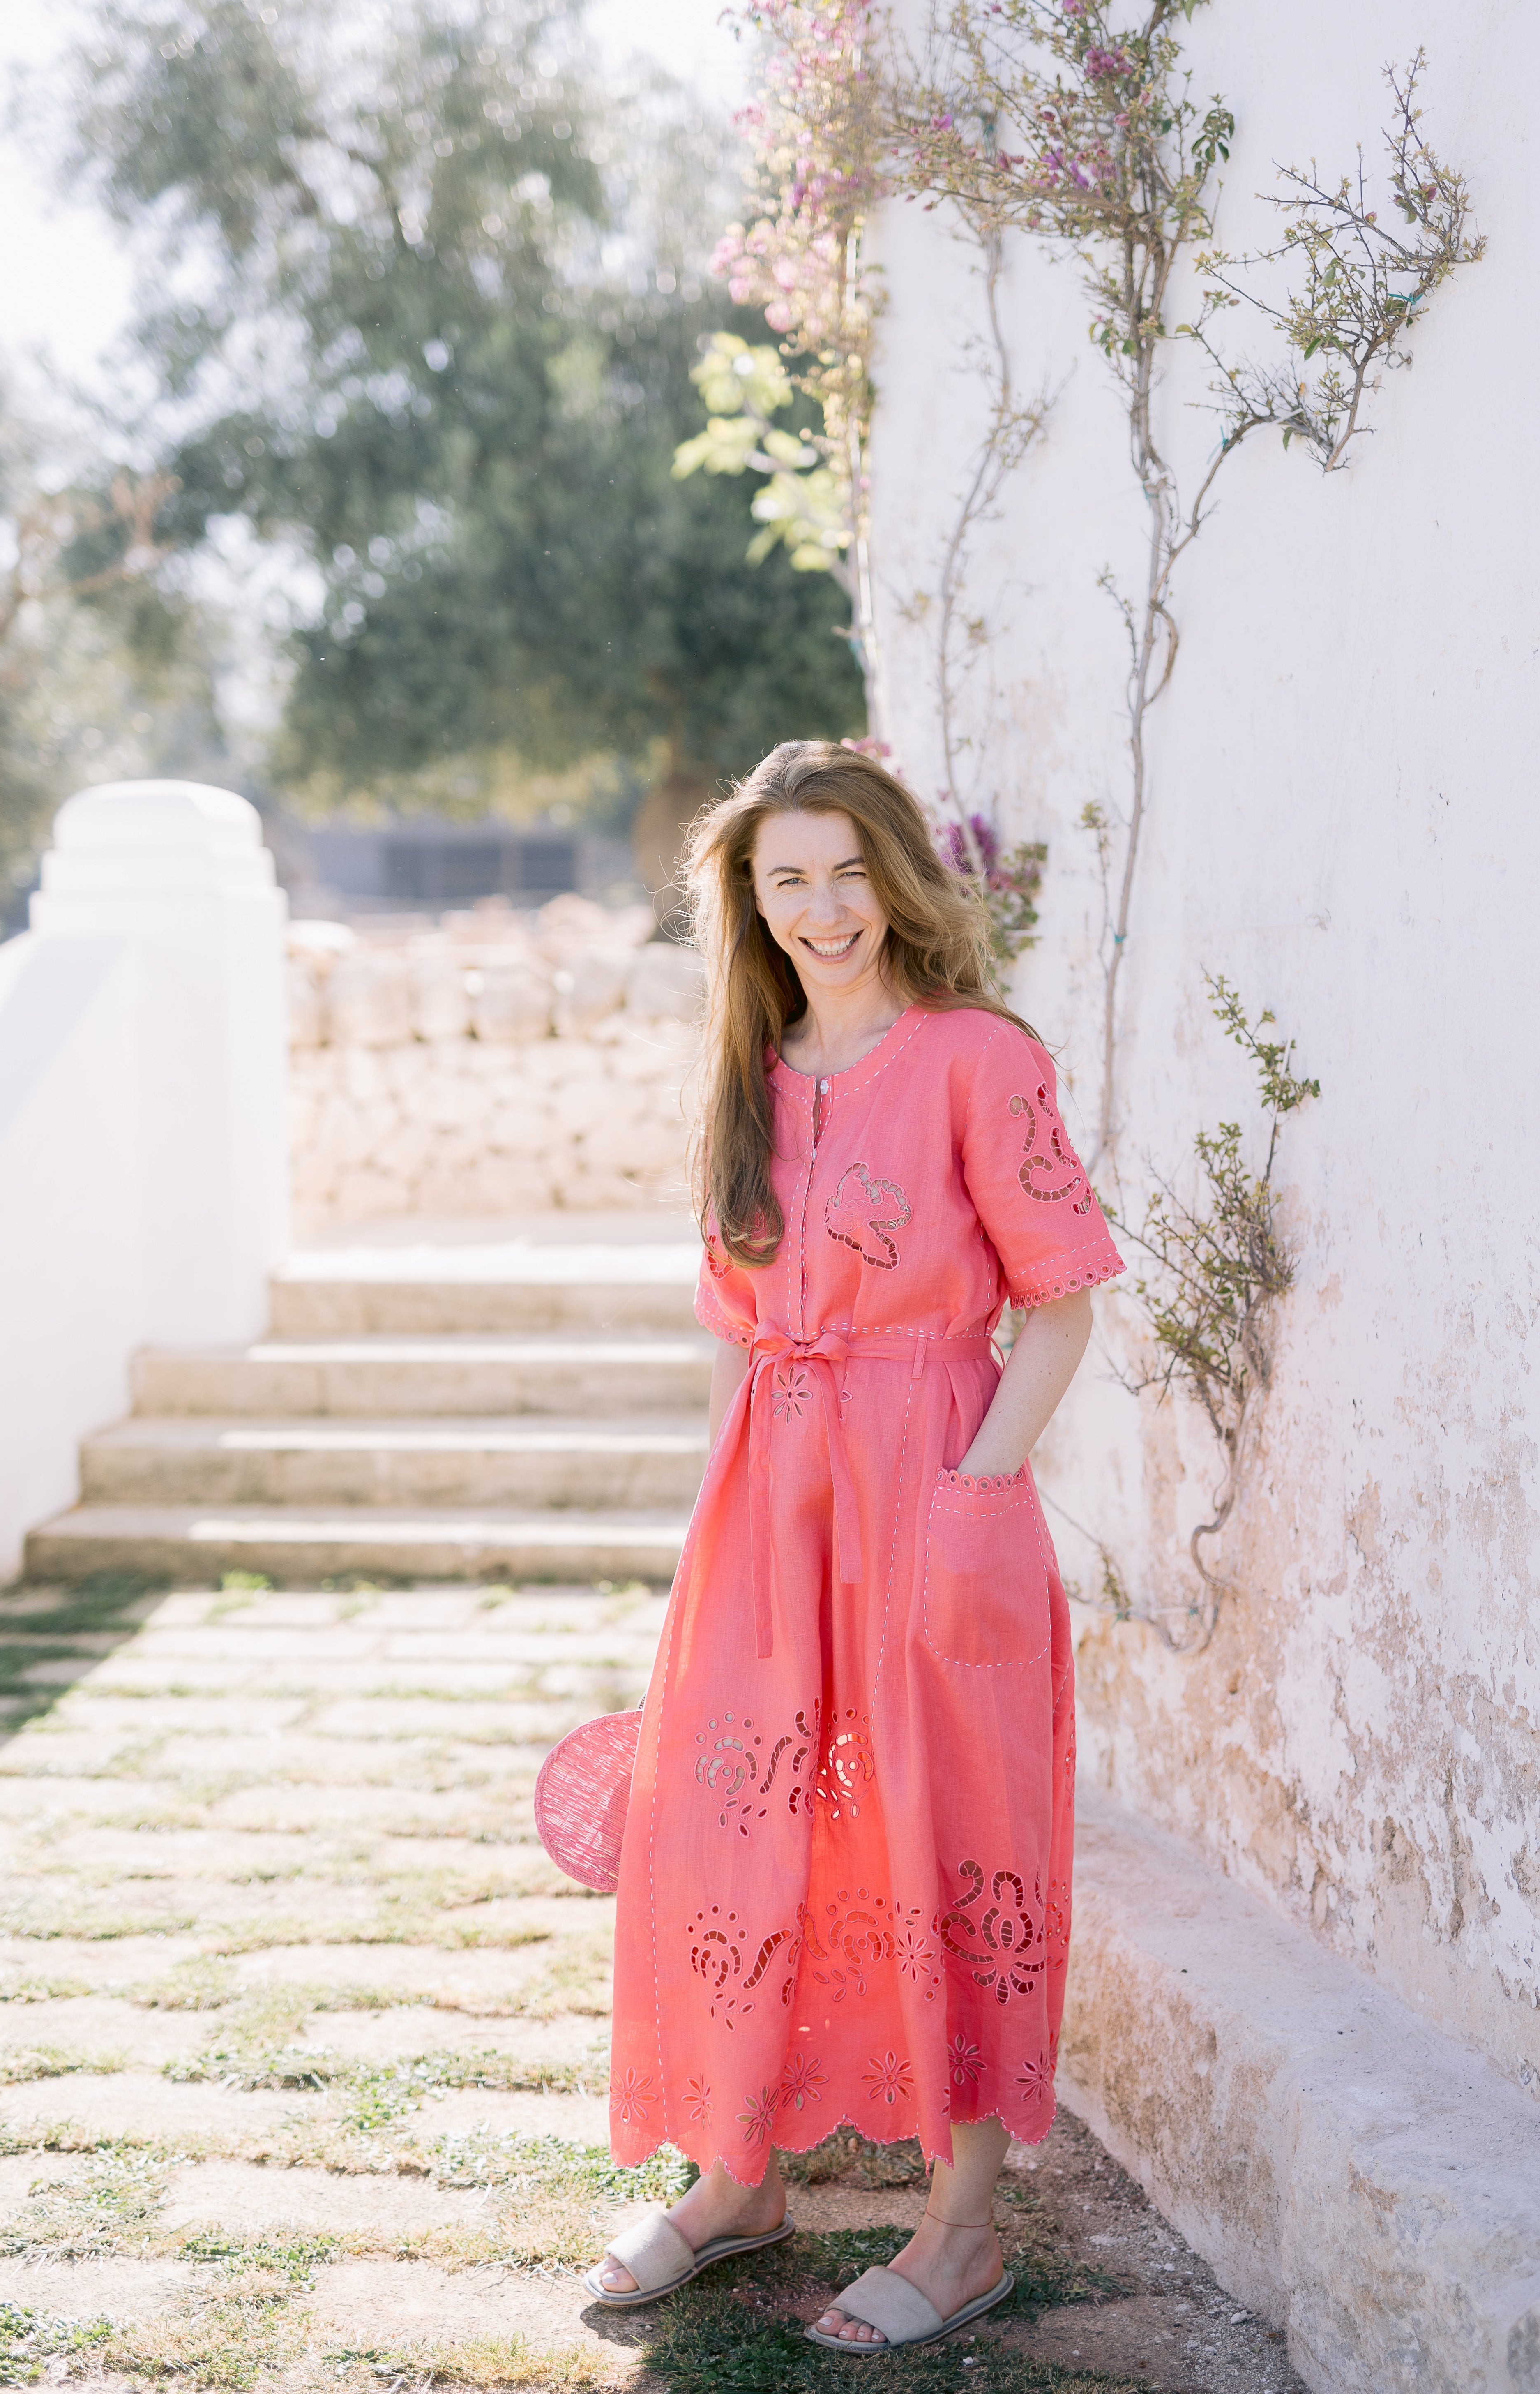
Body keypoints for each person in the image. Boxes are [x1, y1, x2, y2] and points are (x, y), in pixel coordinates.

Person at [584, 741, 1123, 2352]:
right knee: (740, 1833)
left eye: (842, 869)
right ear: (744, 902)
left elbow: (1060, 1302)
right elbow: (735, 1331)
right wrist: (719, 1514)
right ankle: (738, 2168)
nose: (819, 908)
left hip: (932, 1488)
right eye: (781, 879)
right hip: (771, 1493)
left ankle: (957, 2230)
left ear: (893, 875)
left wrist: (975, 1490)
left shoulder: (973, 1057)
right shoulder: (748, 1073)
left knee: (934, 1830)